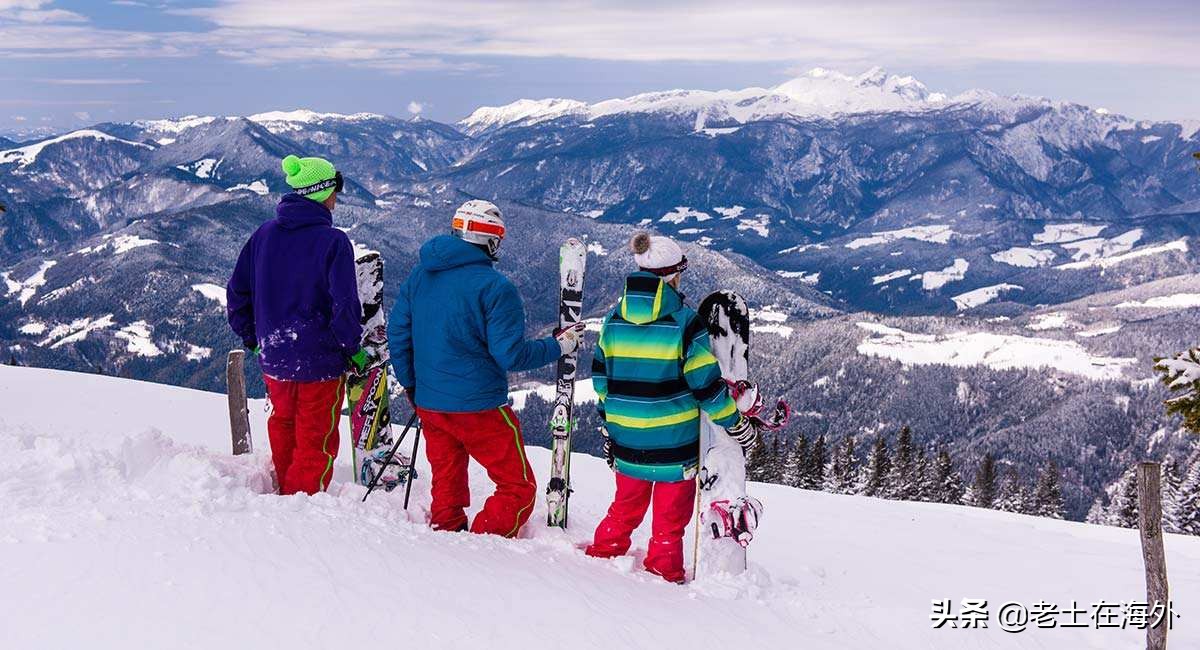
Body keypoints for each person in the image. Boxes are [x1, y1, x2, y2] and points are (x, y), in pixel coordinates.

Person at [388, 200, 583, 537]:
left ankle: (446, 531)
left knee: (446, 476)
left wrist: (411, 385)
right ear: (490, 240)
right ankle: (485, 544)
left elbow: (398, 332)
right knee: (517, 486)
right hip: (479, 405)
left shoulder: (420, 275)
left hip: (430, 402)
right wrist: (560, 346)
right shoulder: (495, 287)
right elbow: (512, 356)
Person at [585, 232, 758, 583]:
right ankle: (664, 574)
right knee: (669, 518)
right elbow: (706, 387)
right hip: (674, 446)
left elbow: (603, 380)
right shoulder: (685, 322)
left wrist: (611, 426)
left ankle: (602, 554)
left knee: (624, 506)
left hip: (627, 442)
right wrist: (735, 423)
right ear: (672, 275)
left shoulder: (613, 319)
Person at [227, 154, 366, 495]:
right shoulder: (333, 241)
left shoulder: (264, 235)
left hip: (275, 357)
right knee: (315, 438)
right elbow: (345, 304)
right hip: (320, 360)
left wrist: (252, 336)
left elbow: (237, 290)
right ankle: (300, 508)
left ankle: (283, 494)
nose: (338, 195)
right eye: (336, 186)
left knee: (284, 426)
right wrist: (352, 349)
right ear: (321, 192)